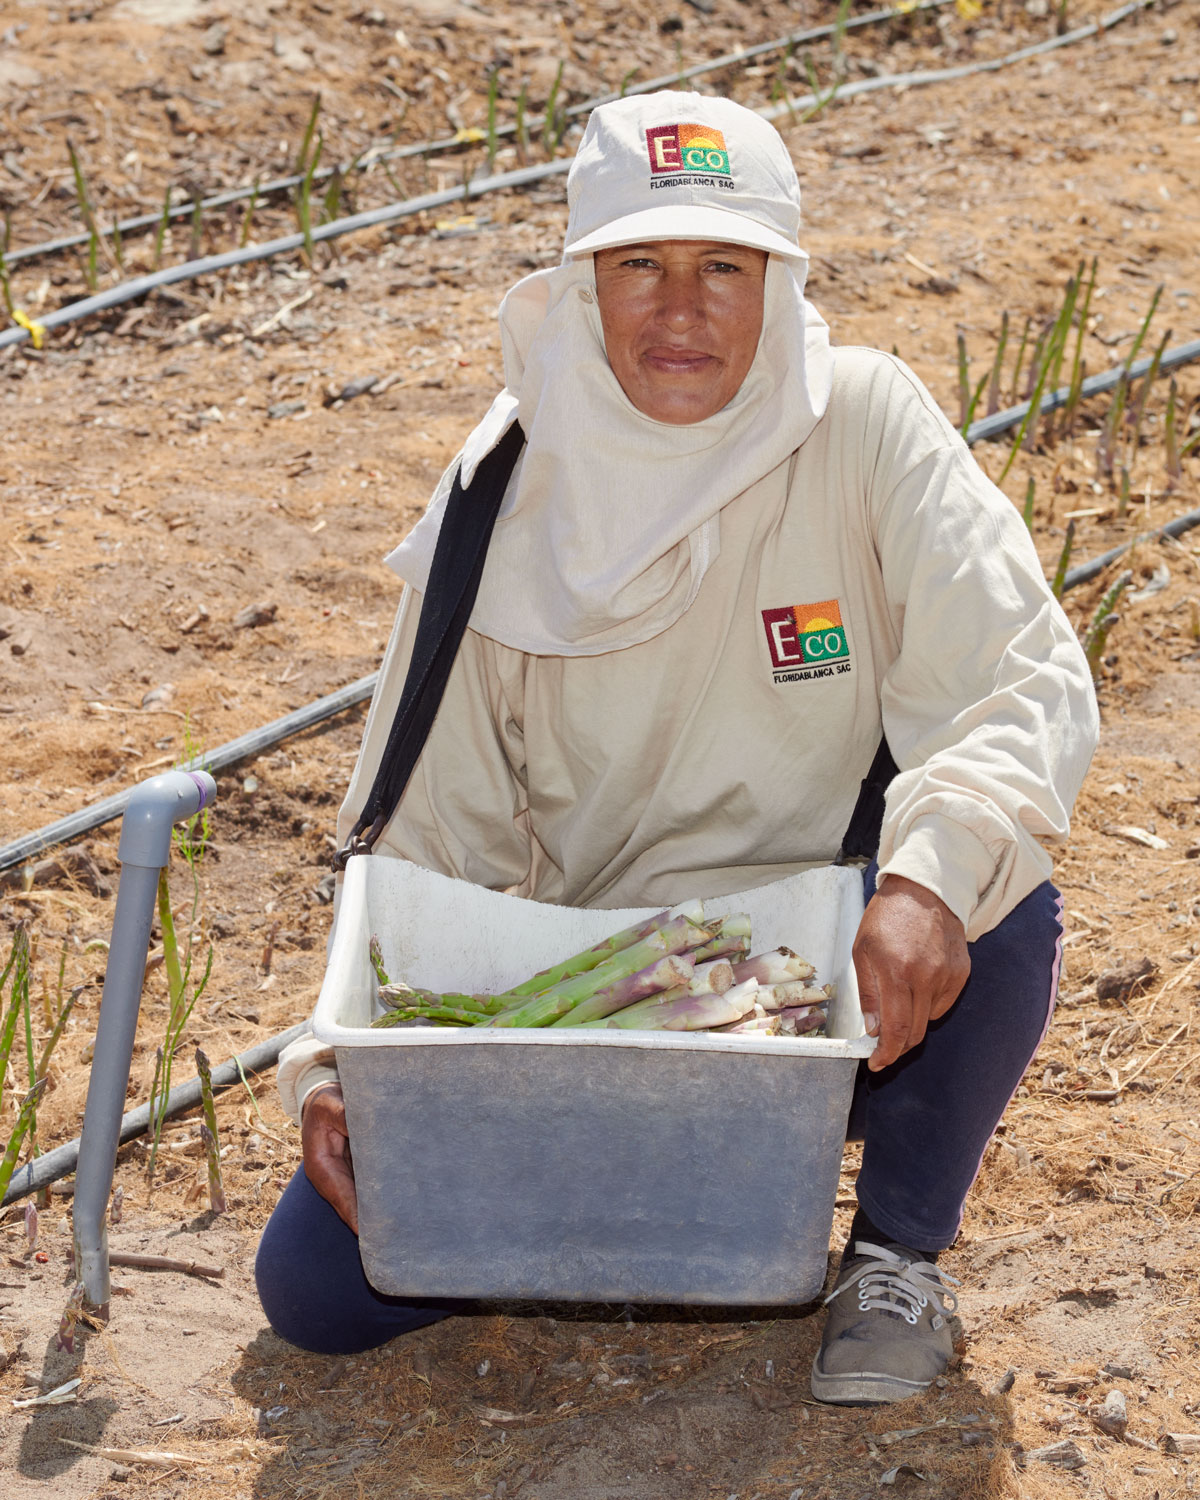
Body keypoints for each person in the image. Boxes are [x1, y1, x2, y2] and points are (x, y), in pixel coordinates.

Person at [256, 91, 1098, 1406]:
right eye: (638, 265)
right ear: (581, 287)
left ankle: (894, 1254)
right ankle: (653, 1220)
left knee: (998, 896)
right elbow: (418, 835)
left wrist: (926, 886)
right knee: (318, 1292)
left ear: (781, 282)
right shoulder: (500, 497)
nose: (681, 310)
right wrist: (346, 1070)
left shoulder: (862, 426)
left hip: (825, 993)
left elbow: (1016, 683)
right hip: (603, 1006)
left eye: (724, 266)